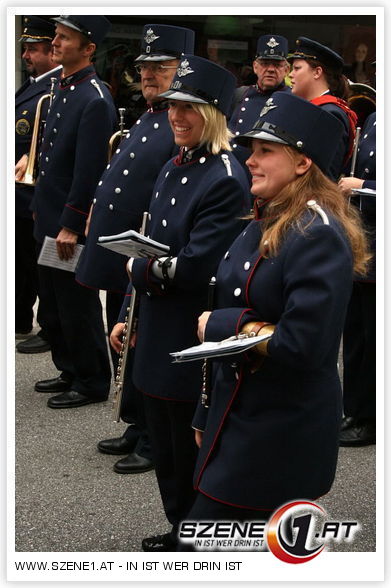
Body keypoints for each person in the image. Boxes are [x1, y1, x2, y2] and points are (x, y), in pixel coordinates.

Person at [178, 91, 370, 550]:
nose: (250, 161)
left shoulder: (316, 232)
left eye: (266, 151)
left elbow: (303, 345)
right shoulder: (263, 218)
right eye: (250, 150)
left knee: (211, 547)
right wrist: (209, 409)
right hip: (239, 417)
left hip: (280, 432)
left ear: (303, 164)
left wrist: (224, 326)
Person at [116, 54, 250, 551]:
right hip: (155, 325)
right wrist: (130, 309)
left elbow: (193, 269)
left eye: (189, 108)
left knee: (186, 447)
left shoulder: (224, 178)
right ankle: (180, 527)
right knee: (165, 445)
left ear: (213, 114)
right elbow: (149, 241)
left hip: (187, 337)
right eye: (173, 105)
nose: (176, 115)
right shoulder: (175, 167)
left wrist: (136, 271)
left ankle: (196, 539)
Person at [76, 24, 195, 474]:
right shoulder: (147, 114)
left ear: (179, 71)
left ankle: (151, 432)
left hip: (147, 248)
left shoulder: (179, 119)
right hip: (118, 242)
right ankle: (134, 417)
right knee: (121, 333)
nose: (148, 75)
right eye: (144, 67)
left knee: (143, 340)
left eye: (160, 68)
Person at [15, 15, 117, 409]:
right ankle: (69, 368)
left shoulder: (93, 97)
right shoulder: (61, 87)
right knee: (54, 303)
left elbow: (89, 170)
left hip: (66, 222)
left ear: (88, 48)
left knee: (77, 304)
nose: (55, 43)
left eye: (64, 38)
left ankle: (91, 380)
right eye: (56, 36)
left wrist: (72, 223)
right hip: (48, 213)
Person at [15, 16, 61, 353]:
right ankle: (18, 315)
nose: (26, 55)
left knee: (37, 263)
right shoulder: (32, 85)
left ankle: (48, 327)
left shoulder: (56, 88)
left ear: (52, 52)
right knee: (22, 262)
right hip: (20, 187)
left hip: (34, 191)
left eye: (34, 49)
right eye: (26, 49)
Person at [338, 110, 376, 446]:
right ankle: (353, 409)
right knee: (355, 336)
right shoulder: (376, 117)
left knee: (374, 340)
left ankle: (370, 418)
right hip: (363, 242)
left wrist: (364, 186)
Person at [289, 36, 358, 180]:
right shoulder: (315, 109)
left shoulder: (330, 113)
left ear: (317, 72)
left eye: (297, 68)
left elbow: (324, 177)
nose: (290, 74)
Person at [229, 35, 290, 173]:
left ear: (286, 70)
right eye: (265, 63)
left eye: (277, 65)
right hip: (234, 174)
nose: (270, 69)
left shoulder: (293, 101)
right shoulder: (239, 95)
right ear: (255, 67)